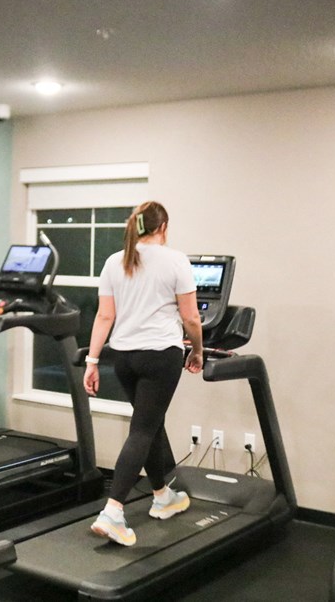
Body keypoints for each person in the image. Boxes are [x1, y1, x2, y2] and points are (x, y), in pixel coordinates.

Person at [83, 201, 204, 546]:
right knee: (143, 428)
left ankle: (162, 496)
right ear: (162, 226)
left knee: (150, 423)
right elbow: (191, 318)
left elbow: (104, 316)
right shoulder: (175, 259)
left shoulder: (114, 261)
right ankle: (113, 512)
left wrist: (92, 361)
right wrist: (196, 350)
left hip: (123, 357)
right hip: (160, 356)